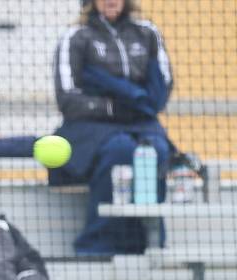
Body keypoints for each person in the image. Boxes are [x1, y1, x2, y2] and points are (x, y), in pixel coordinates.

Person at [52, 0, 173, 255]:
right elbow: (68, 99)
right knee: (120, 150)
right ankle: (97, 244)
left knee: (157, 150)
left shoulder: (147, 33)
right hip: (91, 126)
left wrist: (135, 102)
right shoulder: (76, 37)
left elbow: (161, 89)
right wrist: (113, 107)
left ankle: (149, 241)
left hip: (141, 122)